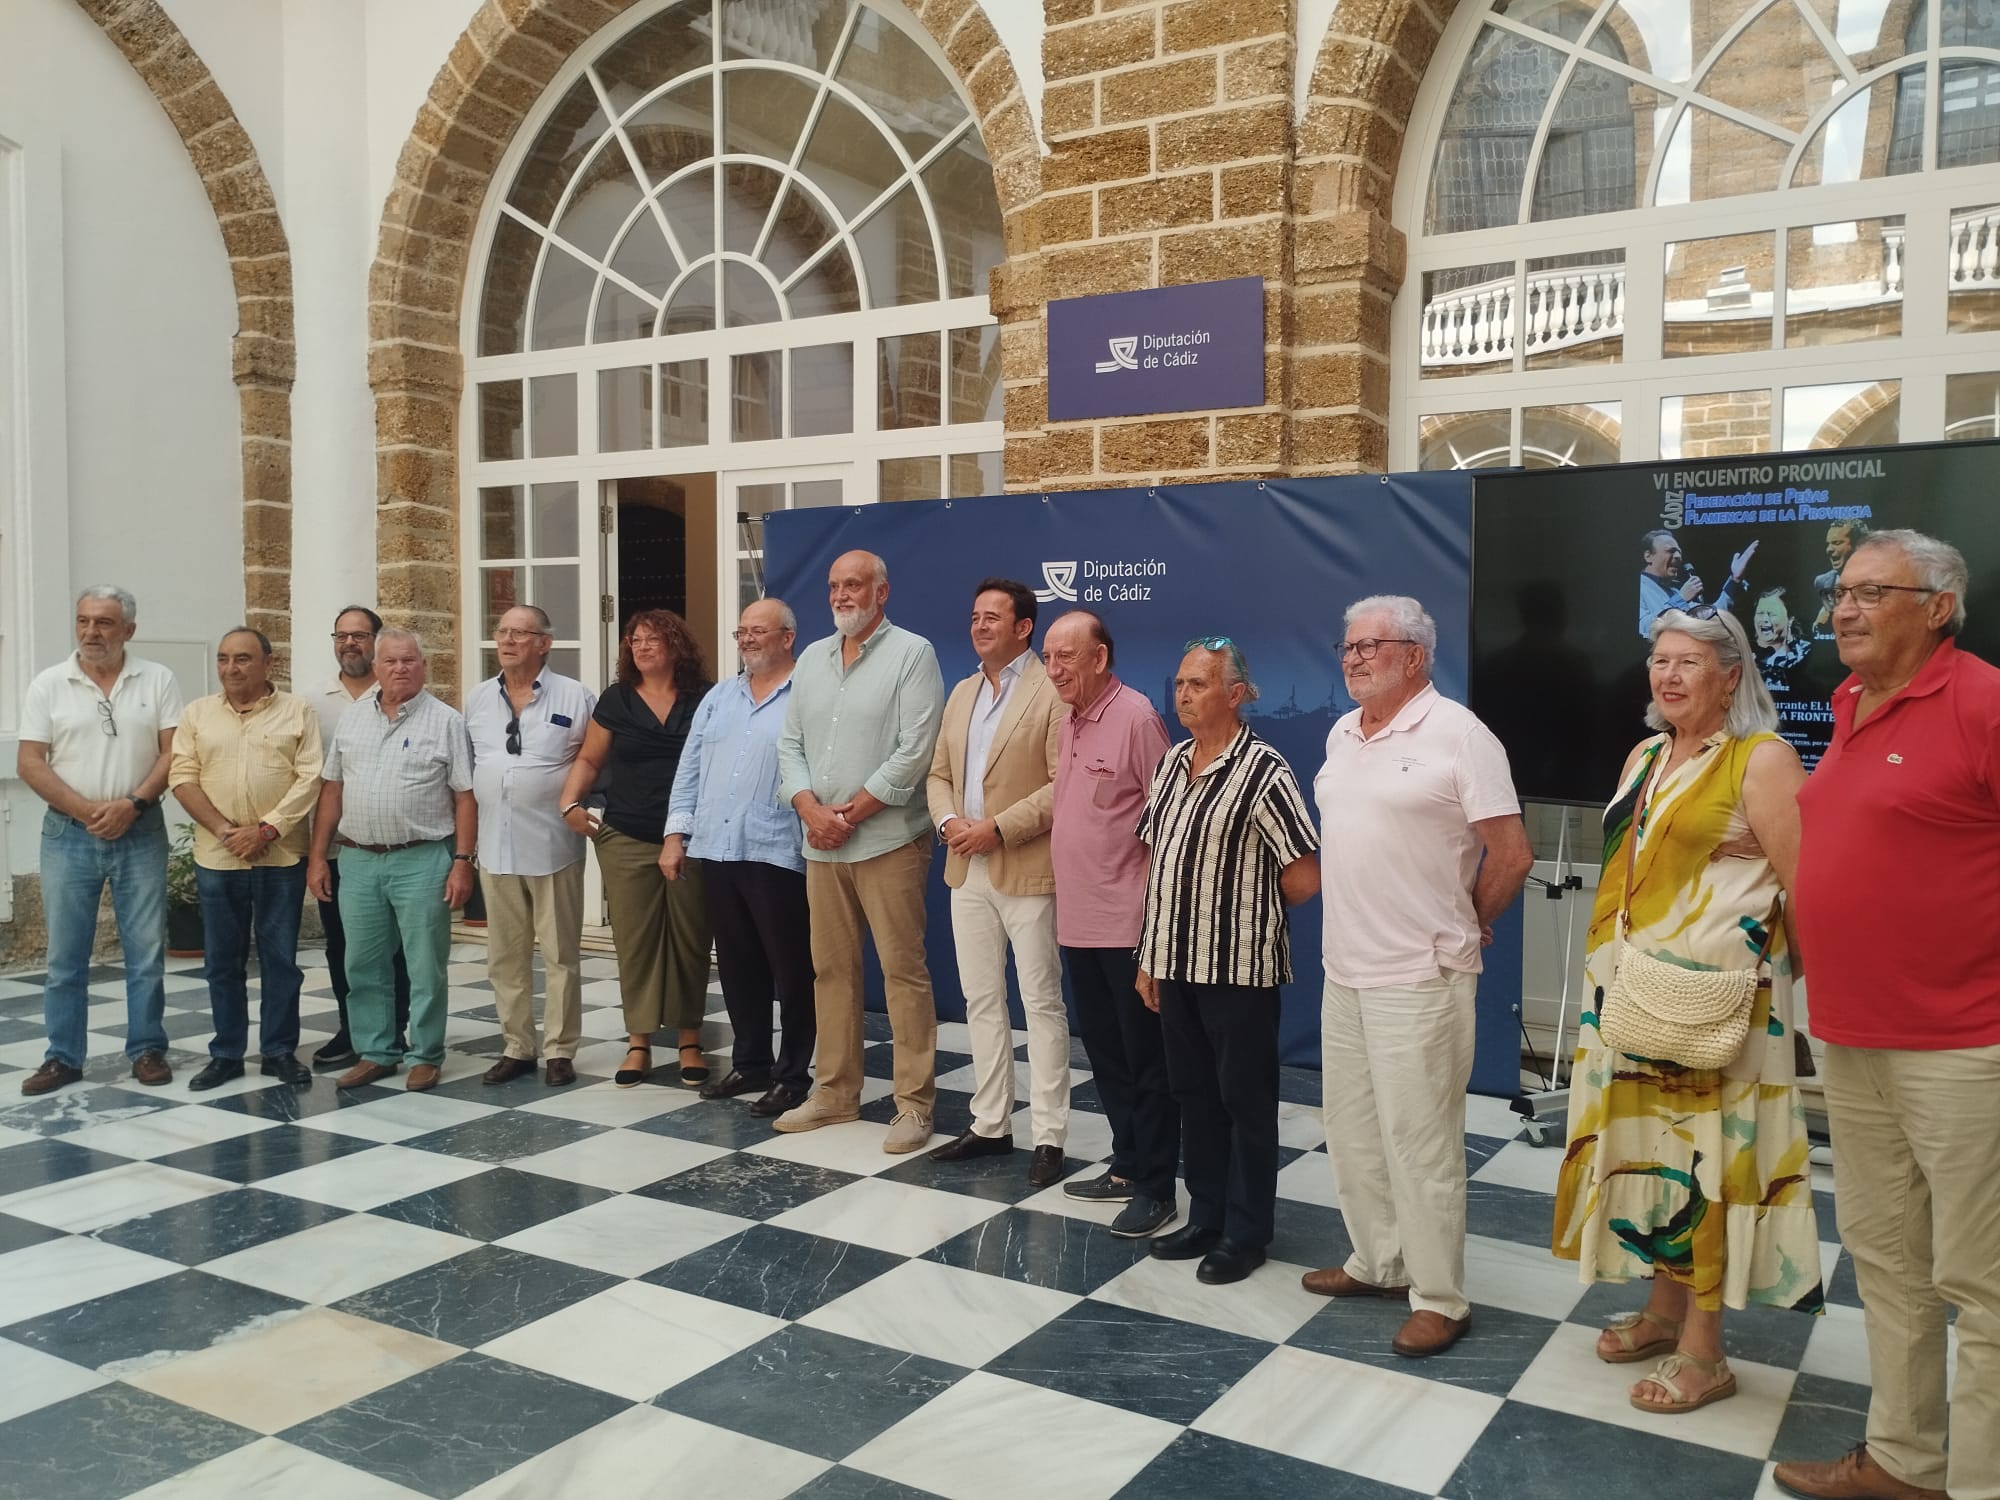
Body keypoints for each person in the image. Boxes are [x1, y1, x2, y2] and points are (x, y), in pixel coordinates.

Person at [1552, 606, 1821, 1415]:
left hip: (1720, 1009)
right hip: (1634, 996)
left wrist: (1786, 993)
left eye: (1689, 663)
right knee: (1655, 1155)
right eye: (1660, 660)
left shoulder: (1761, 759)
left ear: (1731, 677)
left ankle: (1705, 1353)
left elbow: (1808, 887)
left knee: (1709, 1165)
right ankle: (1664, 1311)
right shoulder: (1646, 754)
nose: (1668, 675)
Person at [1778, 530, 2000, 1500]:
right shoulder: (1847, 702)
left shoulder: (1984, 703)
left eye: (1872, 592)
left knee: (1981, 1282)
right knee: (1887, 1261)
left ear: (1938, 607)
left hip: (1963, 1045)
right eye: (1841, 591)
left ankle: (1980, 1482)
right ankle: (1906, 1461)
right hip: (1852, 1034)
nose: (1843, 608)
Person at [1309, 596, 1532, 1357]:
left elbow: (1512, 854)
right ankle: (1379, 1262)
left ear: (1415, 656)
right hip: (1344, 970)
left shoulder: (1461, 735)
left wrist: (1468, 919)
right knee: (1351, 1131)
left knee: (1421, 1142)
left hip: (1420, 975)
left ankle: (1440, 1298)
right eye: (1347, 646)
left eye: (1370, 646)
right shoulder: (1343, 732)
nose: (1353, 658)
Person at [1135, 638, 1319, 1285]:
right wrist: (1149, 957)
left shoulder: (1265, 770)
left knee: (1245, 1103)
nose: (1183, 695)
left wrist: (1240, 908)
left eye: (1198, 684)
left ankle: (1246, 1232)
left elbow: (1303, 875)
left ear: (1235, 694)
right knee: (1194, 1097)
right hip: (1174, 964)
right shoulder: (1171, 762)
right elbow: (1159, 864)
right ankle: (1206, 1216)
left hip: (1239, 971)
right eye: (1180, 683)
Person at [773, 550, 945, 1153]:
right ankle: (834, 1093)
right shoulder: (813, 658)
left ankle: (914, 1105)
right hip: (821, 845)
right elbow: (789, 744)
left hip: (888, 841)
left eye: (854, 585)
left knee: (902, 972)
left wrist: (848, 815)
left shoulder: (913, 654)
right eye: (834, 586)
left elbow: (915, 750)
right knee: (832, 972)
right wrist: (809, 809)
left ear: (881, 592)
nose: (842, 595)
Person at [925, 578, 1067, 1186]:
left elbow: (1063, 783)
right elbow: (937, 774)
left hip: (1026, 865)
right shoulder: (962, 692)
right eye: (975, 616)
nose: (979, 626)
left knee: (1041, 1003)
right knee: (981, 1000)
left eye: (992, 617)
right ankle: (990, 1125)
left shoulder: (1050, 688)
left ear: (1023, 627)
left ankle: (1049, 1136)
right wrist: (950, 823)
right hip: (967, 867)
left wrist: (999, 829)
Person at [1043, 609, 1179, 1238]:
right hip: (1077, 922)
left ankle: (1157, 1187)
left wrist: (1157, 928)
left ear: (1099, 658)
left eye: (1066, 656)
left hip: (1127, 926)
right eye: (1048, 657)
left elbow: (1167, 823)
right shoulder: (1068, 720)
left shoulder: (1137, 717)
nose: (1054, 669)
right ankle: (1127, 1164)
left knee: (1146, 1061)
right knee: (1105, 1054)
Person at [16, 587, 184, 1095]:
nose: (91, 632)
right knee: (64, 957)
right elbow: (29, 762)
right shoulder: (49, 683)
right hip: (69, 833)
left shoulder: (157, 679)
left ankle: (147, 1049)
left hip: (141, 830)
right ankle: (63, 1057)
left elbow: (174, 753)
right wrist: (86, 810)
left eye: (104, 623)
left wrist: (132, 804)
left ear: (128, 629)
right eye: (84, 621)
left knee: (146, 952)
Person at [306, 628, 476, 1092]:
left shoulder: (446, 721)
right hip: (358, 860)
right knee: (362, 964)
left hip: (421, 859)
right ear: (376, 667)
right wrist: (318, 857)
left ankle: (426, 1054)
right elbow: (332, 790)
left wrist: (463, 861)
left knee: (424, 966)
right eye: (391, 661)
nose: (400, 668)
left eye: (409, 660)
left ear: (424, 666)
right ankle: (377, 1051)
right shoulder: (353, 718)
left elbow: (465, 797)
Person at [663, 599, 814, 1118]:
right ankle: (750, 1063)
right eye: (741, 632)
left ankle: (793, 1075)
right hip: (718, 847)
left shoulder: (809, 693)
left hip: (779, 850)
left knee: (792, 970)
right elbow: (689, 769)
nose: (746, 640)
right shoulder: (719, 697)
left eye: (758, 631)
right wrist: (675, 835)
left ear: (787, 638)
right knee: (736, 964)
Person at [558, 609, 712, 1088]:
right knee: (635, 941)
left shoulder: (704, 699)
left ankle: (689, 1039)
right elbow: (589, 758)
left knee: (690, 939)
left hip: (692, 837)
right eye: (634, 640)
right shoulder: (617, 699)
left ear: (676, 645)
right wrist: (569, 803)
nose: (641, 647)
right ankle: (639, 1042)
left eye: (652, 639)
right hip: (625, 835)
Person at [167, 628, 322, 1091]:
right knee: (222, 962)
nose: (231, 668)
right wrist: (225, 831)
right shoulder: (197, 714)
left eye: (243, 659)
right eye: (223, 659)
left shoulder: (298, 711)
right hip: (218, 858)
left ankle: (278, 1051)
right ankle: (227, 1054)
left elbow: (311, 776)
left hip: (280, 857)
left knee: (281, 961)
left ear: (268, 663)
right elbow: (182, 777)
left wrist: (267, 829)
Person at [466, 605, 594, 1088]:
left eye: (520, 633)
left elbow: (595, 760)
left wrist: (583, 806)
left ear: (544, 643)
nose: (508, 640)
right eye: (502, 631)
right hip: (495, 846)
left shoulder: (575, 696)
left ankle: (560, 1049)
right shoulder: (478, 698)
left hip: (553, 846)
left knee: (560, 955)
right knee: (505, 956)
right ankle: (517, 1047)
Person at [308, 606, 410, 1067]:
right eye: (341, 636)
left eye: (360, 635)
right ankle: (352, 1028)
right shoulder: (312, 702)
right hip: (338, 845)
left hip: (395, 846)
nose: (349, 643)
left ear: (377, 641)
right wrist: (315, 854)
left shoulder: (400, 690)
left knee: (397, 946)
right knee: (342, 943)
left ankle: (395, 1028)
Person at [1638, 529, 1756, 639]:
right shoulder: (1637, 588)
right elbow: (1643, 627)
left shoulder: (1674, 591)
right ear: (1648, 556)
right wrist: (1680, 600)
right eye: (1670, 551)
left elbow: (1710, 619)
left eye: (1679, 552)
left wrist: (1734, 580)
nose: (1678, 556)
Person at [1809, 520, 1870, 635]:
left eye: (1836, 543)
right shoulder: (1821, 582)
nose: (1829, 549)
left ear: (1858, 546)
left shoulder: (1878, 579)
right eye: (1828, 544)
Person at [1752, 587, 1812, 694]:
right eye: (1760, 613)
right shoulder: (1745, 656)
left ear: (1790, 619)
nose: (1764, 619)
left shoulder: (1805, 654)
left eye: (1772, 614)